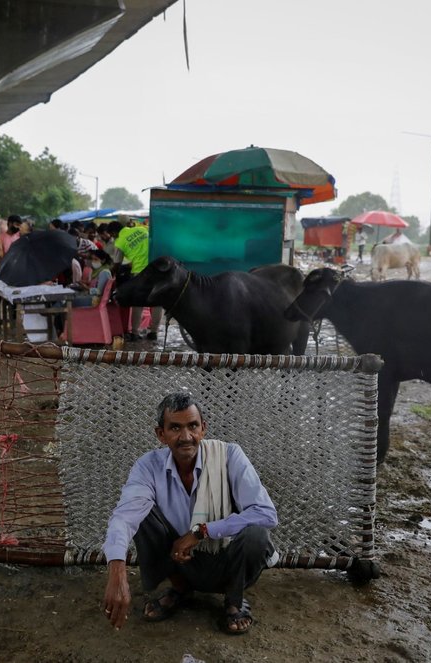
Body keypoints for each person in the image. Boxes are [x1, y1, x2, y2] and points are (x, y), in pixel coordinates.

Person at [102, 392, 278, 635]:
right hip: (179, 560)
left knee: (257, 536)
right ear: (160, 434)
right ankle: (180, 588)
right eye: (175, 427)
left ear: (203, 428)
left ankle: (234, 600)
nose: (186, 437)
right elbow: (124, 516)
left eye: (192, 426)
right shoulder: (148, 466)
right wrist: (117, 569)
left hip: (227, 560)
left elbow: (267, 513)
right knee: (140, 517)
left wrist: (202, 532)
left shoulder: (229, 456)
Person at [105, 220, 161, 340]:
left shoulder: (120, 242)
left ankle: (135, 333)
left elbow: (117, 264)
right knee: (157, 301)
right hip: (156, 267)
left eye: (112, 235)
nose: (113, 237)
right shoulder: (141, 229)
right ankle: (154, 332)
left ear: (114, 233)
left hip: (140, 271)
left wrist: (110, 273)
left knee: (138, 302)